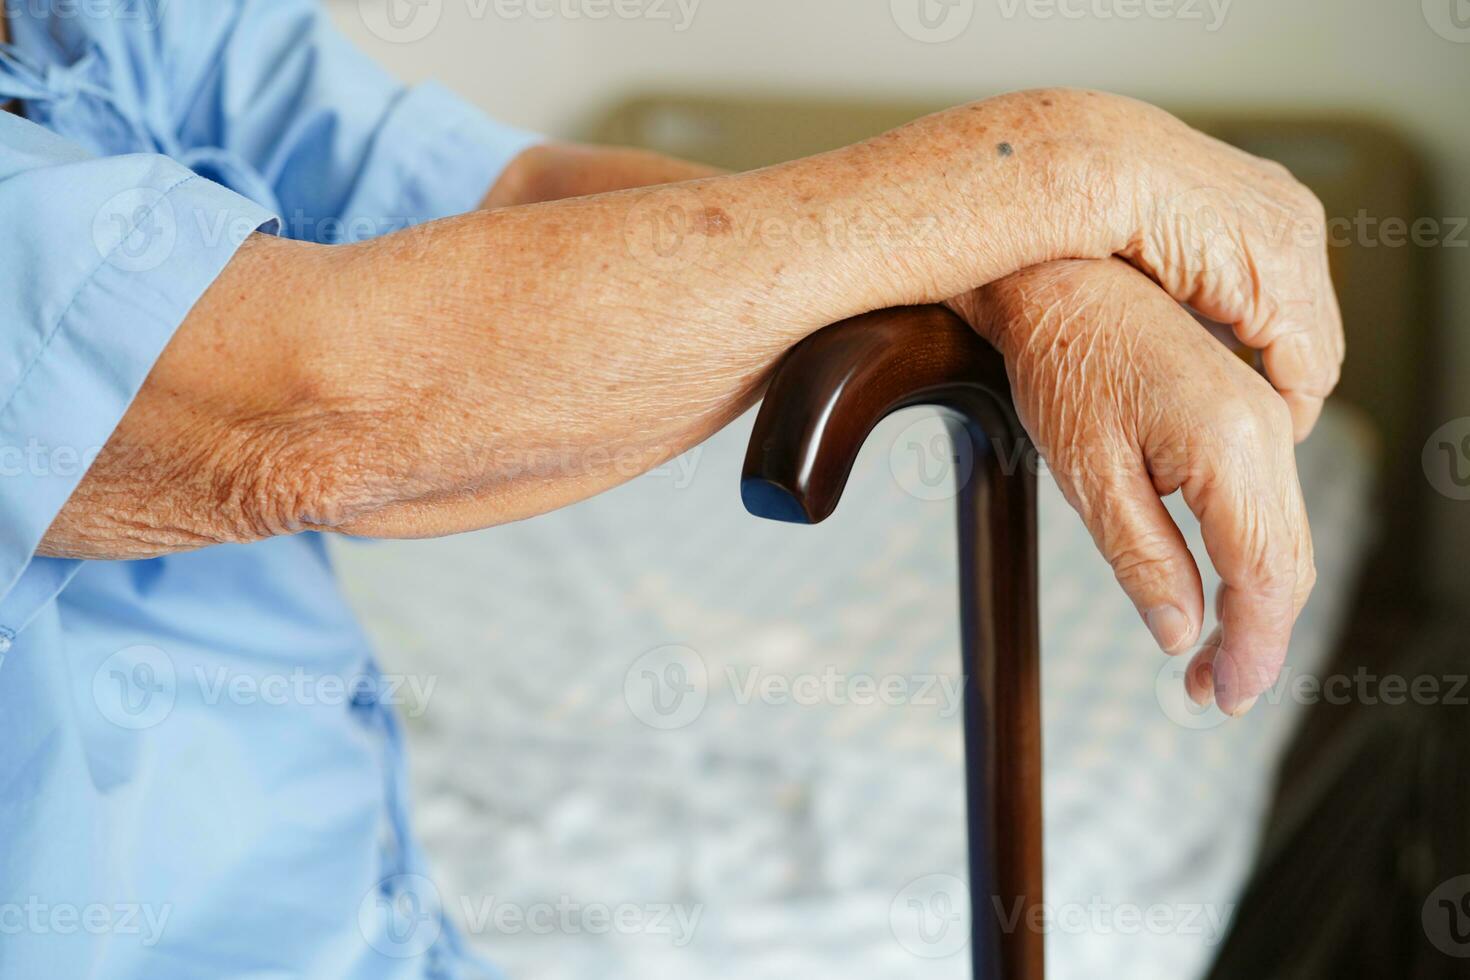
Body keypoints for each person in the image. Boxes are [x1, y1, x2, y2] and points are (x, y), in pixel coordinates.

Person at [0, 0, 1340, 976]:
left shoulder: (98, 20)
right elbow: (319, 400)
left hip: (369, 928)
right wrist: (1056, 164)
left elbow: (511, 193)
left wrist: (1024, 266)